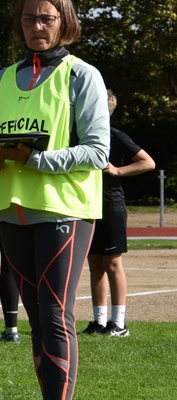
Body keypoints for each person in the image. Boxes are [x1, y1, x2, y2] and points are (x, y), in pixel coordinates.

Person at [0, 0, 109, 400]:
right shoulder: (1, 79)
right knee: (37, 317)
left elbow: (97, 151)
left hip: (65, 207)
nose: (37, 26)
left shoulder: (82, 75)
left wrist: (32, 159)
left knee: (55, 314)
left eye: (47, 18)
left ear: (64, 22)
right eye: (30, 18)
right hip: (11, 208)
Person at [83, 89, 156, 337]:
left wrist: (117, 171)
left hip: (111, 205)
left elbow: (148, 162)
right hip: (88, 204)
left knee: (112, 263)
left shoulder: (115, 135)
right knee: (95, 263)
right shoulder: (82, 136)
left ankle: (119, 324)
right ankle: (99, 322)